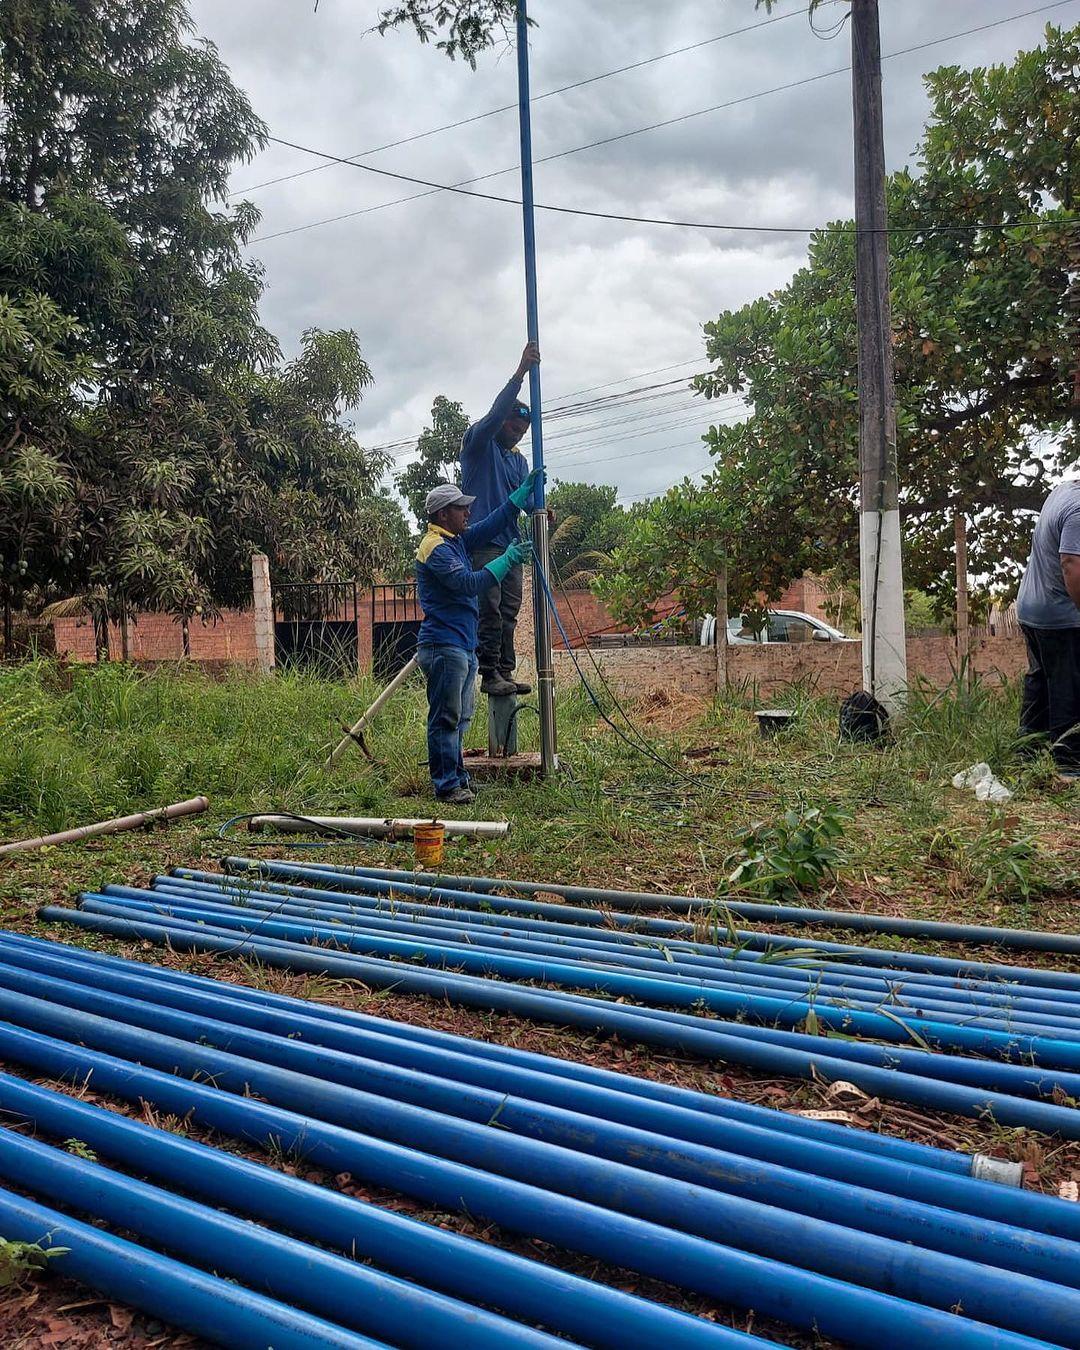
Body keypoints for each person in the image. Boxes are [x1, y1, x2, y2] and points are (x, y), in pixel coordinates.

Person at [414, 473, 542, 803]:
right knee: (445, 718)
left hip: (461, 646)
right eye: (461, 508)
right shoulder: (435, 549)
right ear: (444, 514)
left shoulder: (453, 540)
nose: (467, 513)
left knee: (459, 718)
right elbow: (469, 584)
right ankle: (446, 785)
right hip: (444, 645)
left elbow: (487, 527)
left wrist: (515, 500)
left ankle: (457, 777)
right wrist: (508, 560)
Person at [460, 341, 540, 697]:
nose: (517, 436)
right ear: (502, 424)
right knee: (488, 610)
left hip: (511, 546)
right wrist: (520, 372)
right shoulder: (479, 444)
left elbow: (526, 499)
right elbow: (493, 416)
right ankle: (489, 672)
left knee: (509, 610)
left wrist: (541, 506)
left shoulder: (517, 460)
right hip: (483, 543)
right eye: (514, 429)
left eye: (523, 434)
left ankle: (504, 671)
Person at [1015, 478, 1080, 780]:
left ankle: (1027, 751)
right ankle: (1069, 765)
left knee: (1040, 679)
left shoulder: (1064, 490)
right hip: (1060, 614)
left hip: (1031, 606)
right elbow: (1071, 564)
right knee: (1070, 684)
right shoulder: (1079, 509)